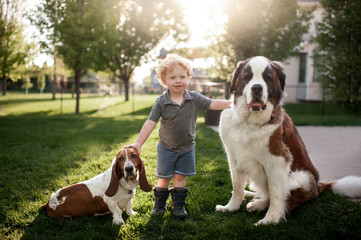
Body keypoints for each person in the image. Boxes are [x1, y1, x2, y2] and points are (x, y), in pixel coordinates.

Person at [127, 54, 232, 220]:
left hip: (187, 148)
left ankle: (178, 206)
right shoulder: (161, 102)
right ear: (164, 80)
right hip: (166, 148)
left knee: (180, 176)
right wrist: (139, 142)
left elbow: (213, 104)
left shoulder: (194, 98)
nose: (178, 80)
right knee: (164, 178)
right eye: (173, 77)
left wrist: (232, 103)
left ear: (188, 77)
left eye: (182, 76)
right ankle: (159, 204)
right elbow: (150, 123)